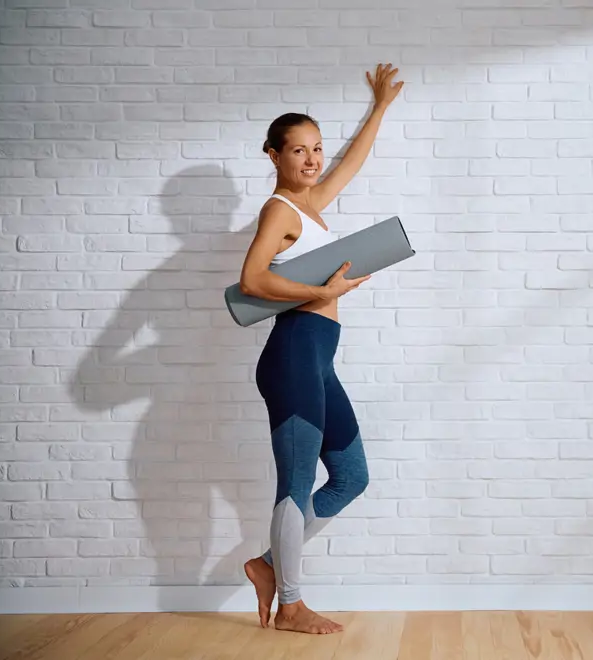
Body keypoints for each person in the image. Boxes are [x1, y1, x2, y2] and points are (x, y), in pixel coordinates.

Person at [239, 63, 404, 634]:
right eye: (298, 151)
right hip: (291, 357)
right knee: (294, 485)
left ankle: (265, 565)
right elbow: (253, 279)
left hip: (317, 359)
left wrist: (380, 107)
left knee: (351, 476)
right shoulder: (279, 211)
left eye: (316, 149)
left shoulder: (310, 206)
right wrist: (320, 291)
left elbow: (350, 165)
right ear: (273, 156)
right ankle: (290, 604)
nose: (311, 161)